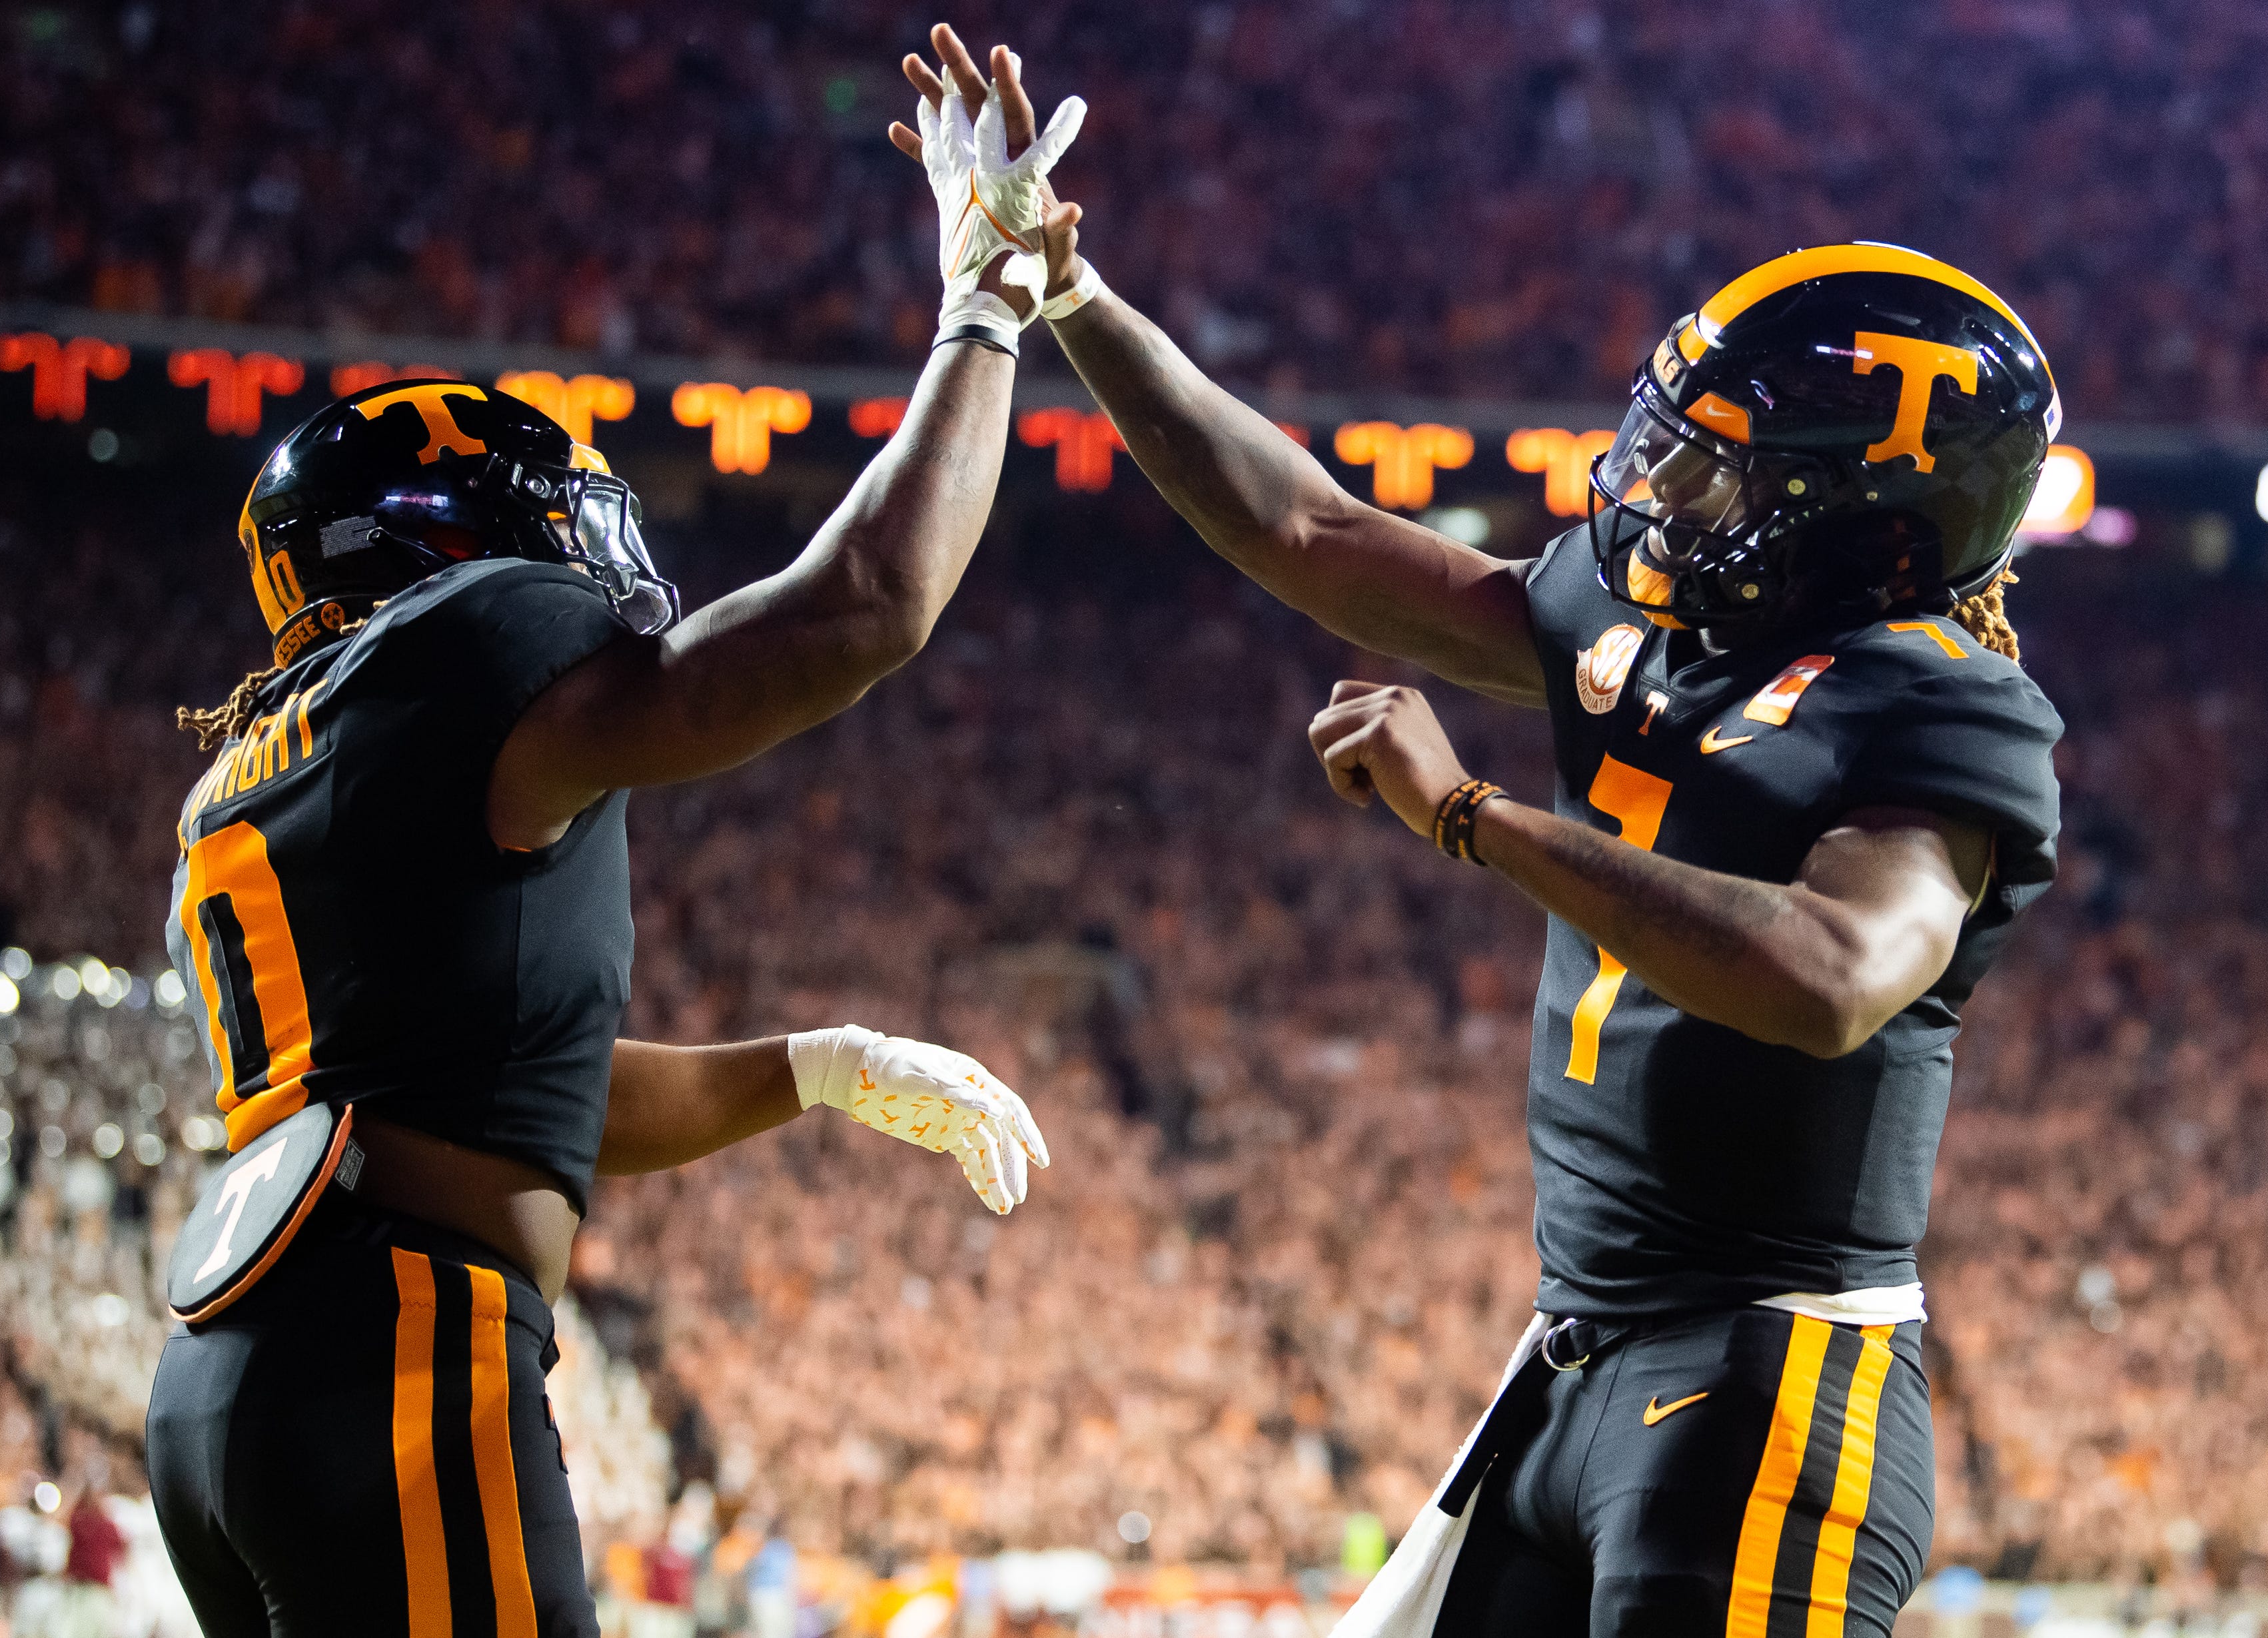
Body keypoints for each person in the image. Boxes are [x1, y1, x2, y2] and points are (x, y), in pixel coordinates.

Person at [961, 30, 2063, 1630]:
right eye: (1671, 439)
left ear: (1859, 521)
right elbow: (1308, 527)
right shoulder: (1647, 628)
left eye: (1715, 471)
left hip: (1770, 1365)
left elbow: (1832, 975)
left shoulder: (1943, 704)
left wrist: (1473, 817)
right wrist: (1071, 295)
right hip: (1571, 1358)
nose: (1656, 489)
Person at [145, 44, 1083, 1638]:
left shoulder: (253, 770)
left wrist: (817, 1064)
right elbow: (864, 608)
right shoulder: (462, 652)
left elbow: (489, 1097)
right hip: (398, 1350)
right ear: (451, 534)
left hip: (226, 1390)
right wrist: (981, 313)